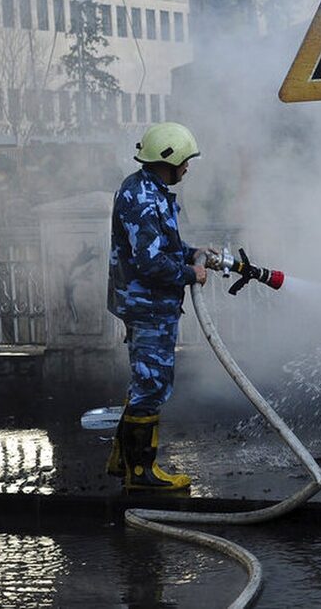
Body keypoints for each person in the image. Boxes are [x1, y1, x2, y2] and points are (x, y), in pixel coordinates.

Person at [105, 122, 208, 491]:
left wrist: (192, 253)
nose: (187, 167)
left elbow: (160, 247)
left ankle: (122, 459)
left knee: (145, 382)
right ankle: (141, 474)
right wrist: (191, 273)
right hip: (147, 307)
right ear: (170, 159)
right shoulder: (145, 198)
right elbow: (150, 263)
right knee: (151, 386)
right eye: (185, 161)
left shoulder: (149, 190)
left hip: (149, 305)